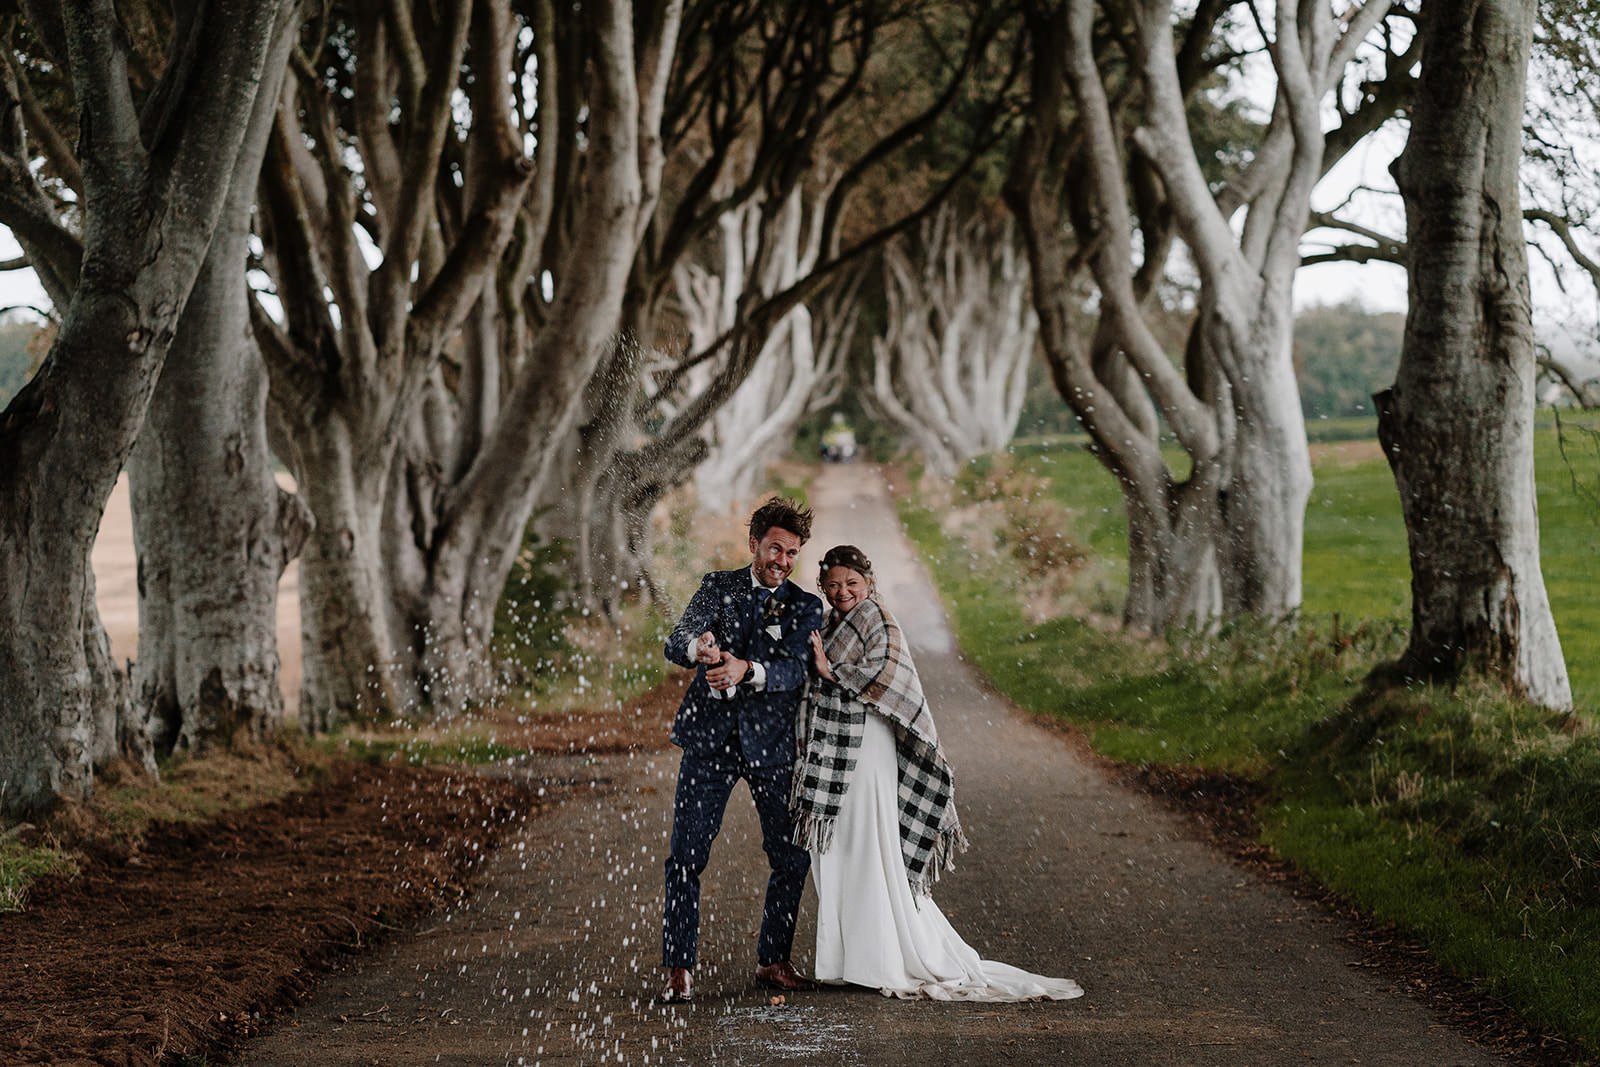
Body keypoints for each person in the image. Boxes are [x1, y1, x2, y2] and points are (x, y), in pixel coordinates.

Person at [793, 544, 1085, 1001]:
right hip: (838, 748)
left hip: (869, 743)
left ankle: (885, 957)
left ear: (868, 582)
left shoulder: (878, 618)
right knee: (845, 848)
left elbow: (884, 675)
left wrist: (831, 671)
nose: (842, 591)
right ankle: (854, 958)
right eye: (832, 585)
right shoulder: (829, 622)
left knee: (873, 842)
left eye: (851, 583)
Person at [659, 496, 825, 1003]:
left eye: (792, 553)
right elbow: (677, 639)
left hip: (772, 748)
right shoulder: (717, 586)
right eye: (775, 548)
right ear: (754, 543)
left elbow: (797, 672)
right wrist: (700, 649)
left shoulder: (806, 605)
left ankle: (773, 961)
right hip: (708, 742)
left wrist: (746, 670)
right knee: (686, 857)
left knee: (791, 857)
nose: (782, 560)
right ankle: (678, 968)